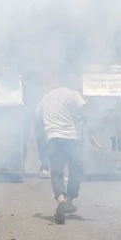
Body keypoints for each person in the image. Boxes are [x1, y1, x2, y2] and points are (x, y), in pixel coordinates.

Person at [40, 72, 87, 224]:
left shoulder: (46, 97)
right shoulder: (73, 94)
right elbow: (85, 110)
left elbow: (36, 115)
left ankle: (60, 199)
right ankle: (70, 200)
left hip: (53, 138)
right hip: (71, 138)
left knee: (57, 172)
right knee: (76, 168)